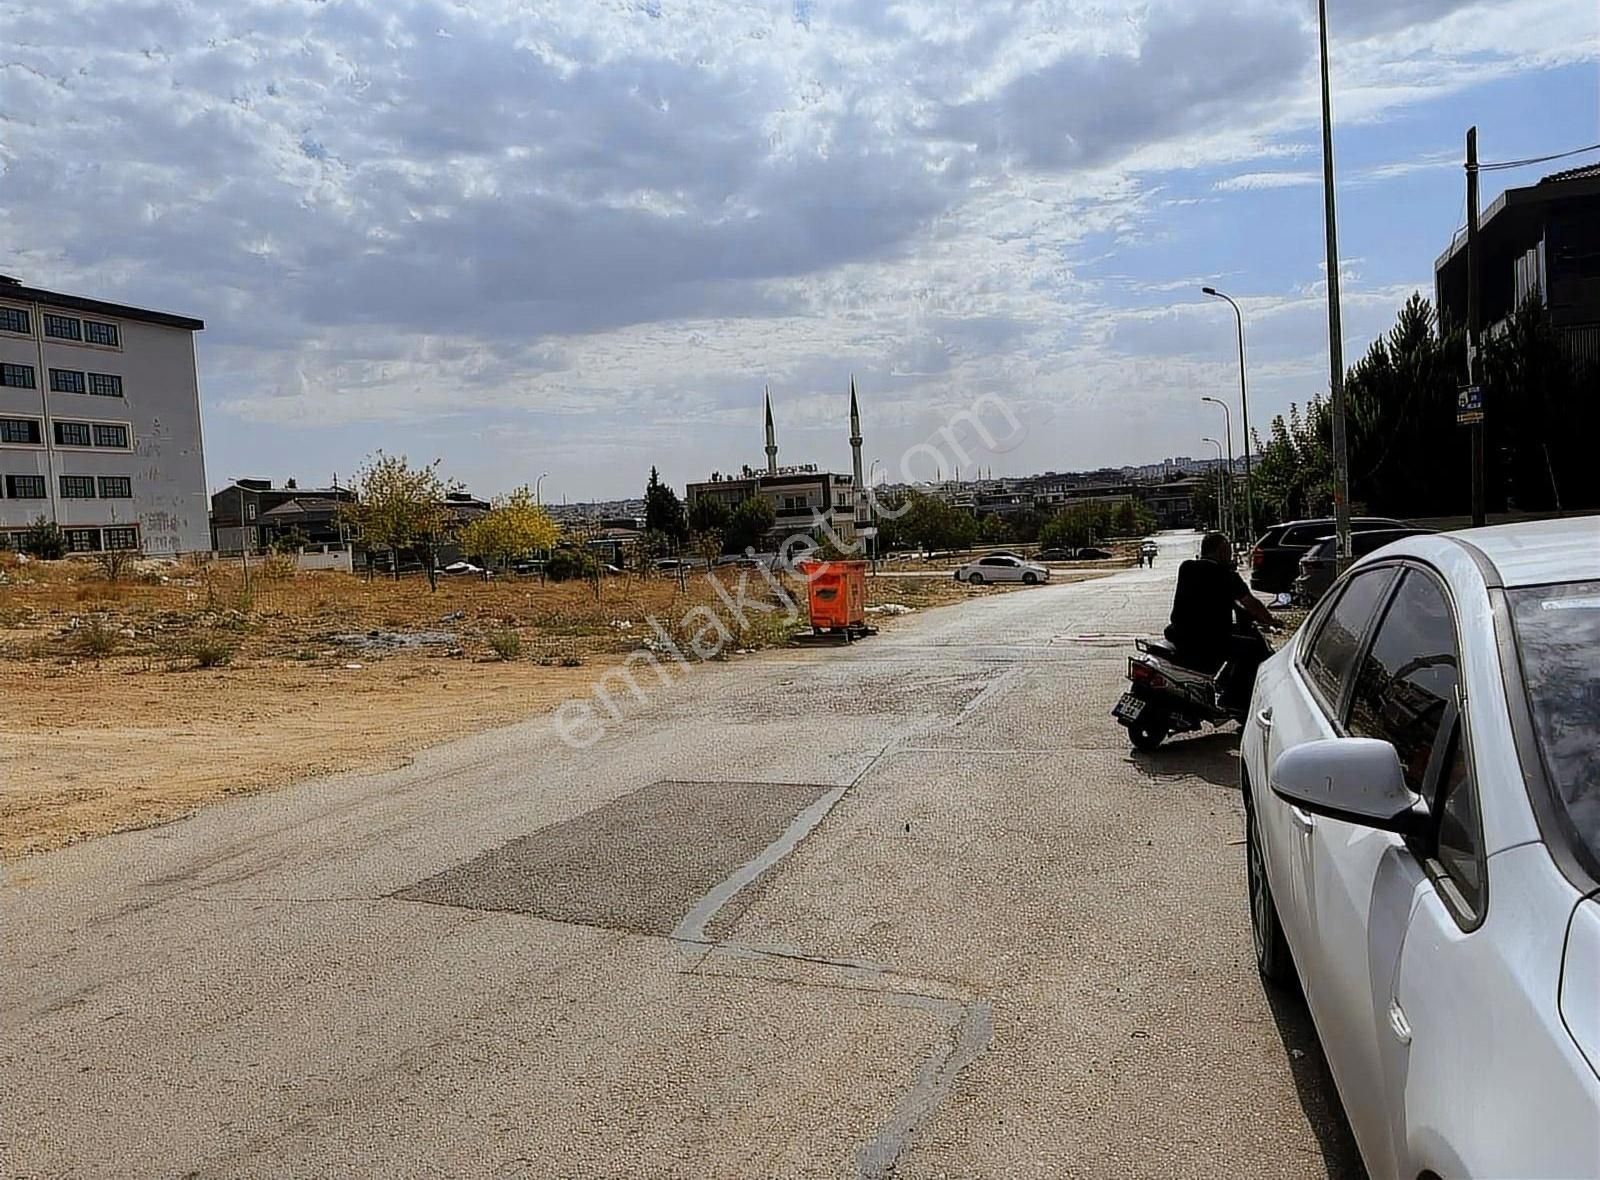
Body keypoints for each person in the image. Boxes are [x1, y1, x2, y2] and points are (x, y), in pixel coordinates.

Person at [1165, 532, 1276, 710]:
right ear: (1222, 551)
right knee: (1252, 648)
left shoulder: (1186, 568)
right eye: (1229, 550)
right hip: (1208, 638)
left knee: (1237, 640)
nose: (1231, 555)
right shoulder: (1227, 575)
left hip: (1179, 633)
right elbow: (1250, 603)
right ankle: (1232, 699)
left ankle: (1221, 683)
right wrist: (1271, 620)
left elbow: (1213, 598)